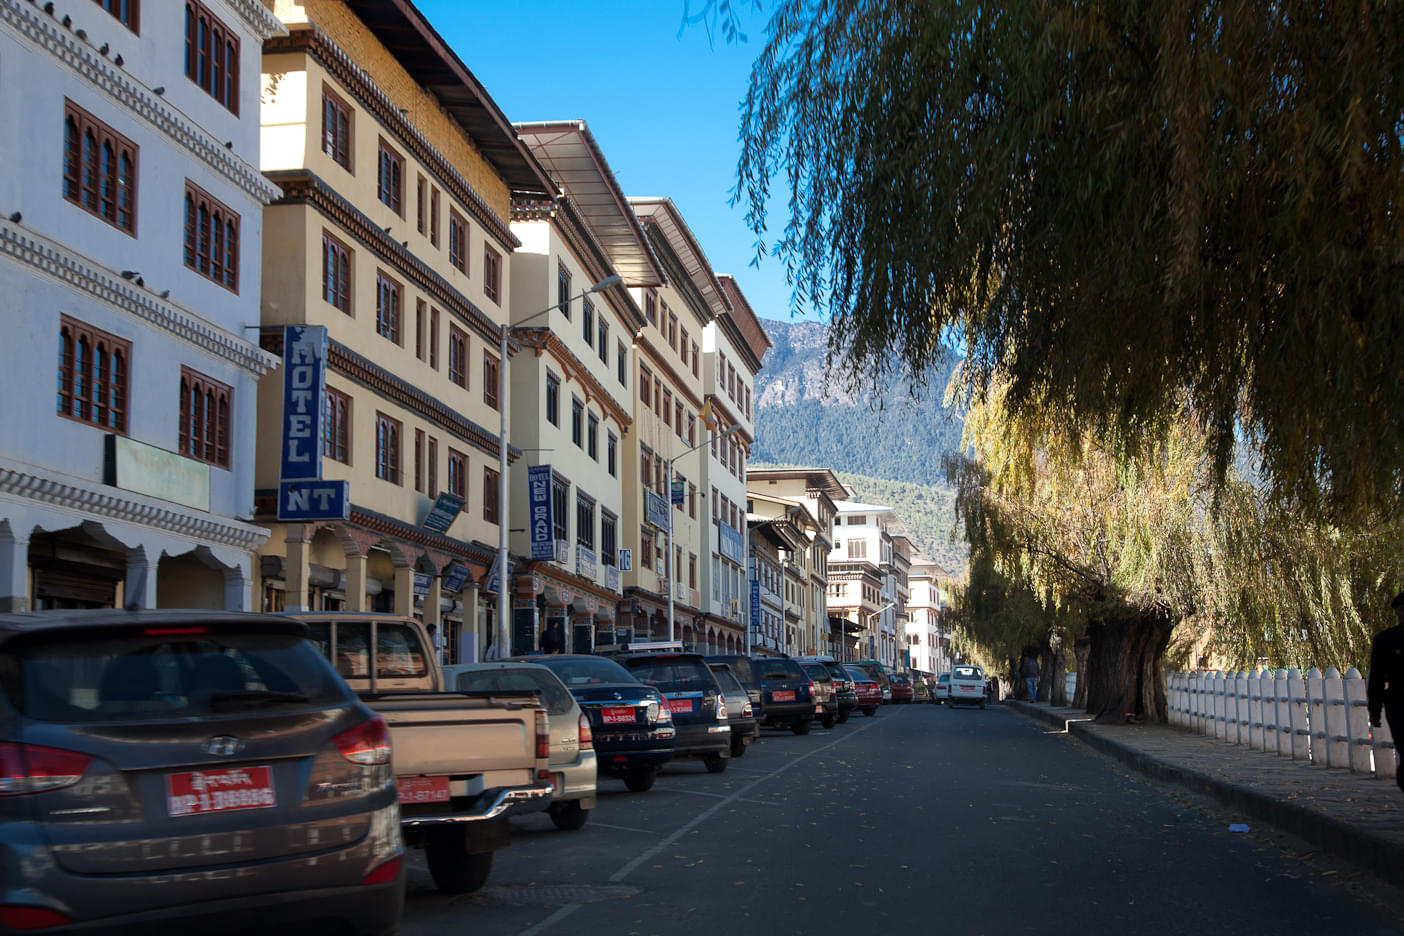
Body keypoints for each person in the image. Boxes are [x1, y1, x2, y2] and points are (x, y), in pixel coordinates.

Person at [1367, 592, 1404, 793]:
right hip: (1399, 703)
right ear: (1397, 611)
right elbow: (1377, 677)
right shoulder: (1386, 640)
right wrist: (1374, 709)